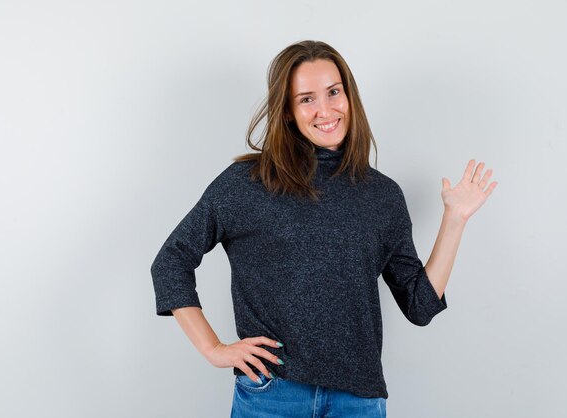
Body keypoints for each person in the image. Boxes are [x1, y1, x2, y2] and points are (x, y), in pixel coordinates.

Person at [150, 40, 497, 418]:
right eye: (306, 99)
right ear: (287, 111)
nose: (325, 109)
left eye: (333, 92)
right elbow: (171, 262)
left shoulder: (381, 196)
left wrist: (454, 220)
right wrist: (213, 348)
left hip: (358, 401)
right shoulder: (248, 182)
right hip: (272, 395)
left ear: (349, 95)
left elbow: (420, 306)